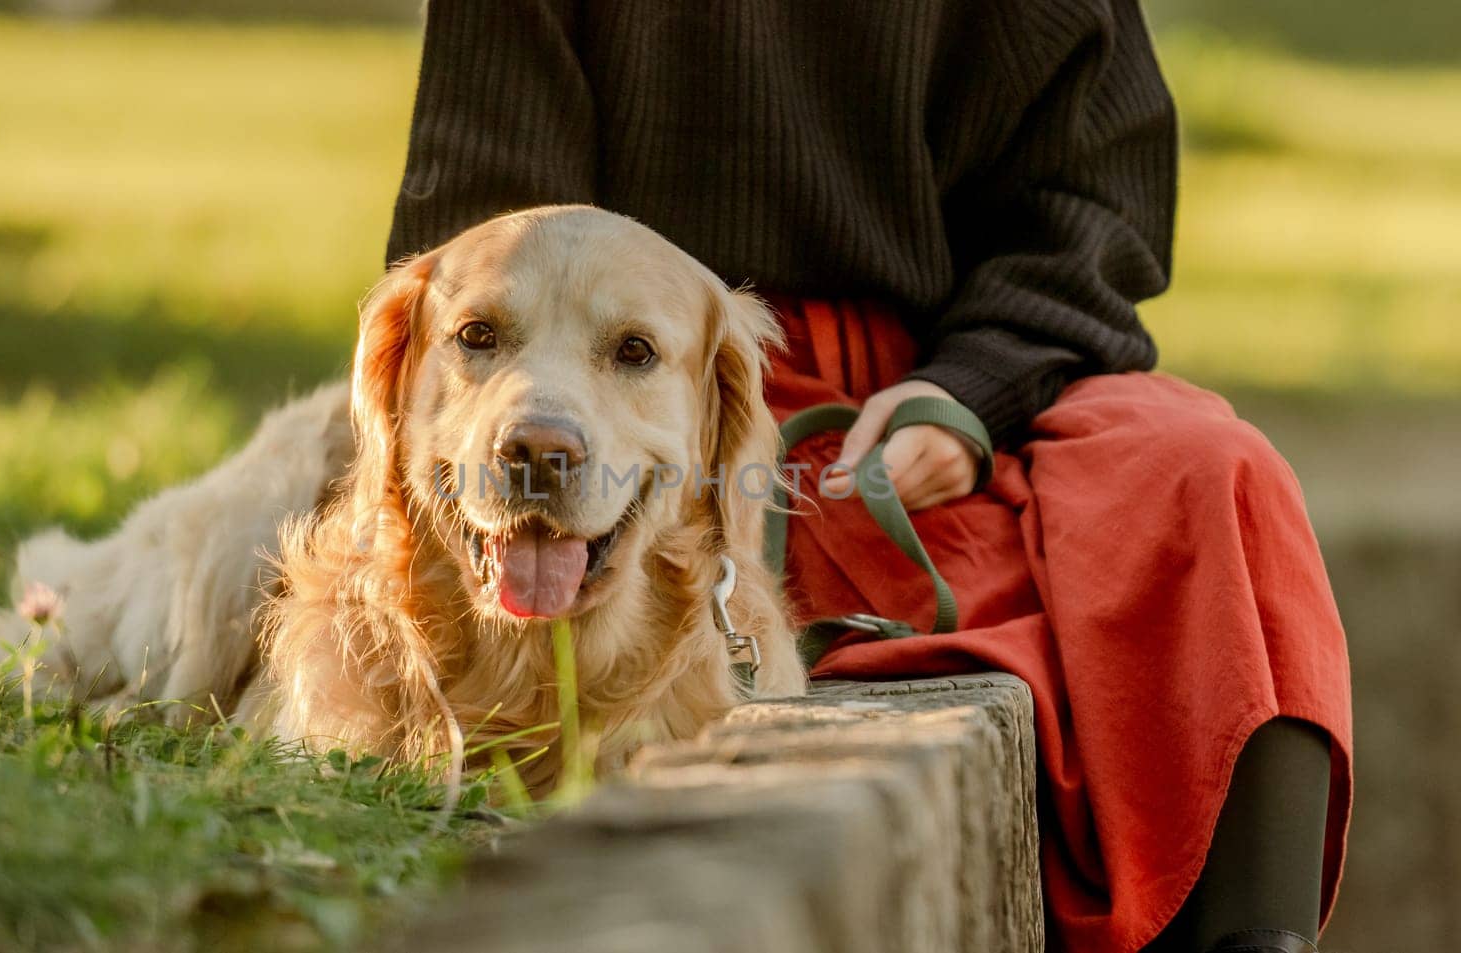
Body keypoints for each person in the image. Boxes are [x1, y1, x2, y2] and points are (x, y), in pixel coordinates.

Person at [383, 3, 1353, 952]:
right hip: (668, 385)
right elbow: (484, 250)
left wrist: (970, 390)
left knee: (1216, 474)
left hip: (968, 379)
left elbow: (1091, 210)